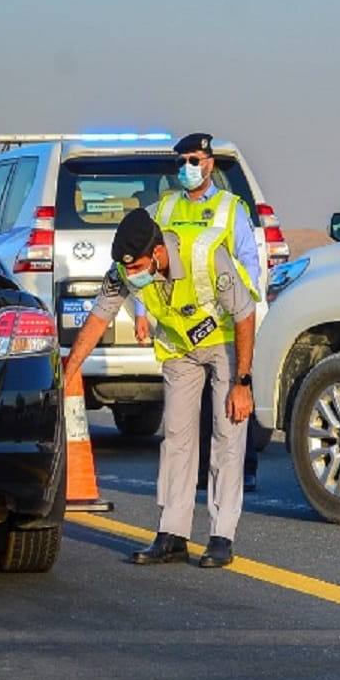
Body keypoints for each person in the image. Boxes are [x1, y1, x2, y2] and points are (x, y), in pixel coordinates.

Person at [63, 209, 257, 568]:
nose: (132, 276)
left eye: (138, 267)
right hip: (179, 348)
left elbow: (245, 315)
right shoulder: (124, 270)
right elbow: (98, 319)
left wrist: (242, 383)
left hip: (226, 342)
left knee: (226, 434)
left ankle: (221, 537)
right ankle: (172, 535)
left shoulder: (205, 254)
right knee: (176, 438)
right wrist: (67, 373)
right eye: (128, 270)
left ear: (156, 253)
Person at [152, 133, 266, 493]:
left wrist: (245, 301)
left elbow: (248, 260)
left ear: (209, 164)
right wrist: (141, 311)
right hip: (182, 327)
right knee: (187, 417)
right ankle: (198, 478)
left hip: (225, 322)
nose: (187, 167)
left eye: (194, 160)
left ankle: (242, 470)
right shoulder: (166, 208)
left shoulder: (230, 208)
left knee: (233, 408)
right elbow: (150, 260)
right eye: (182, 161)